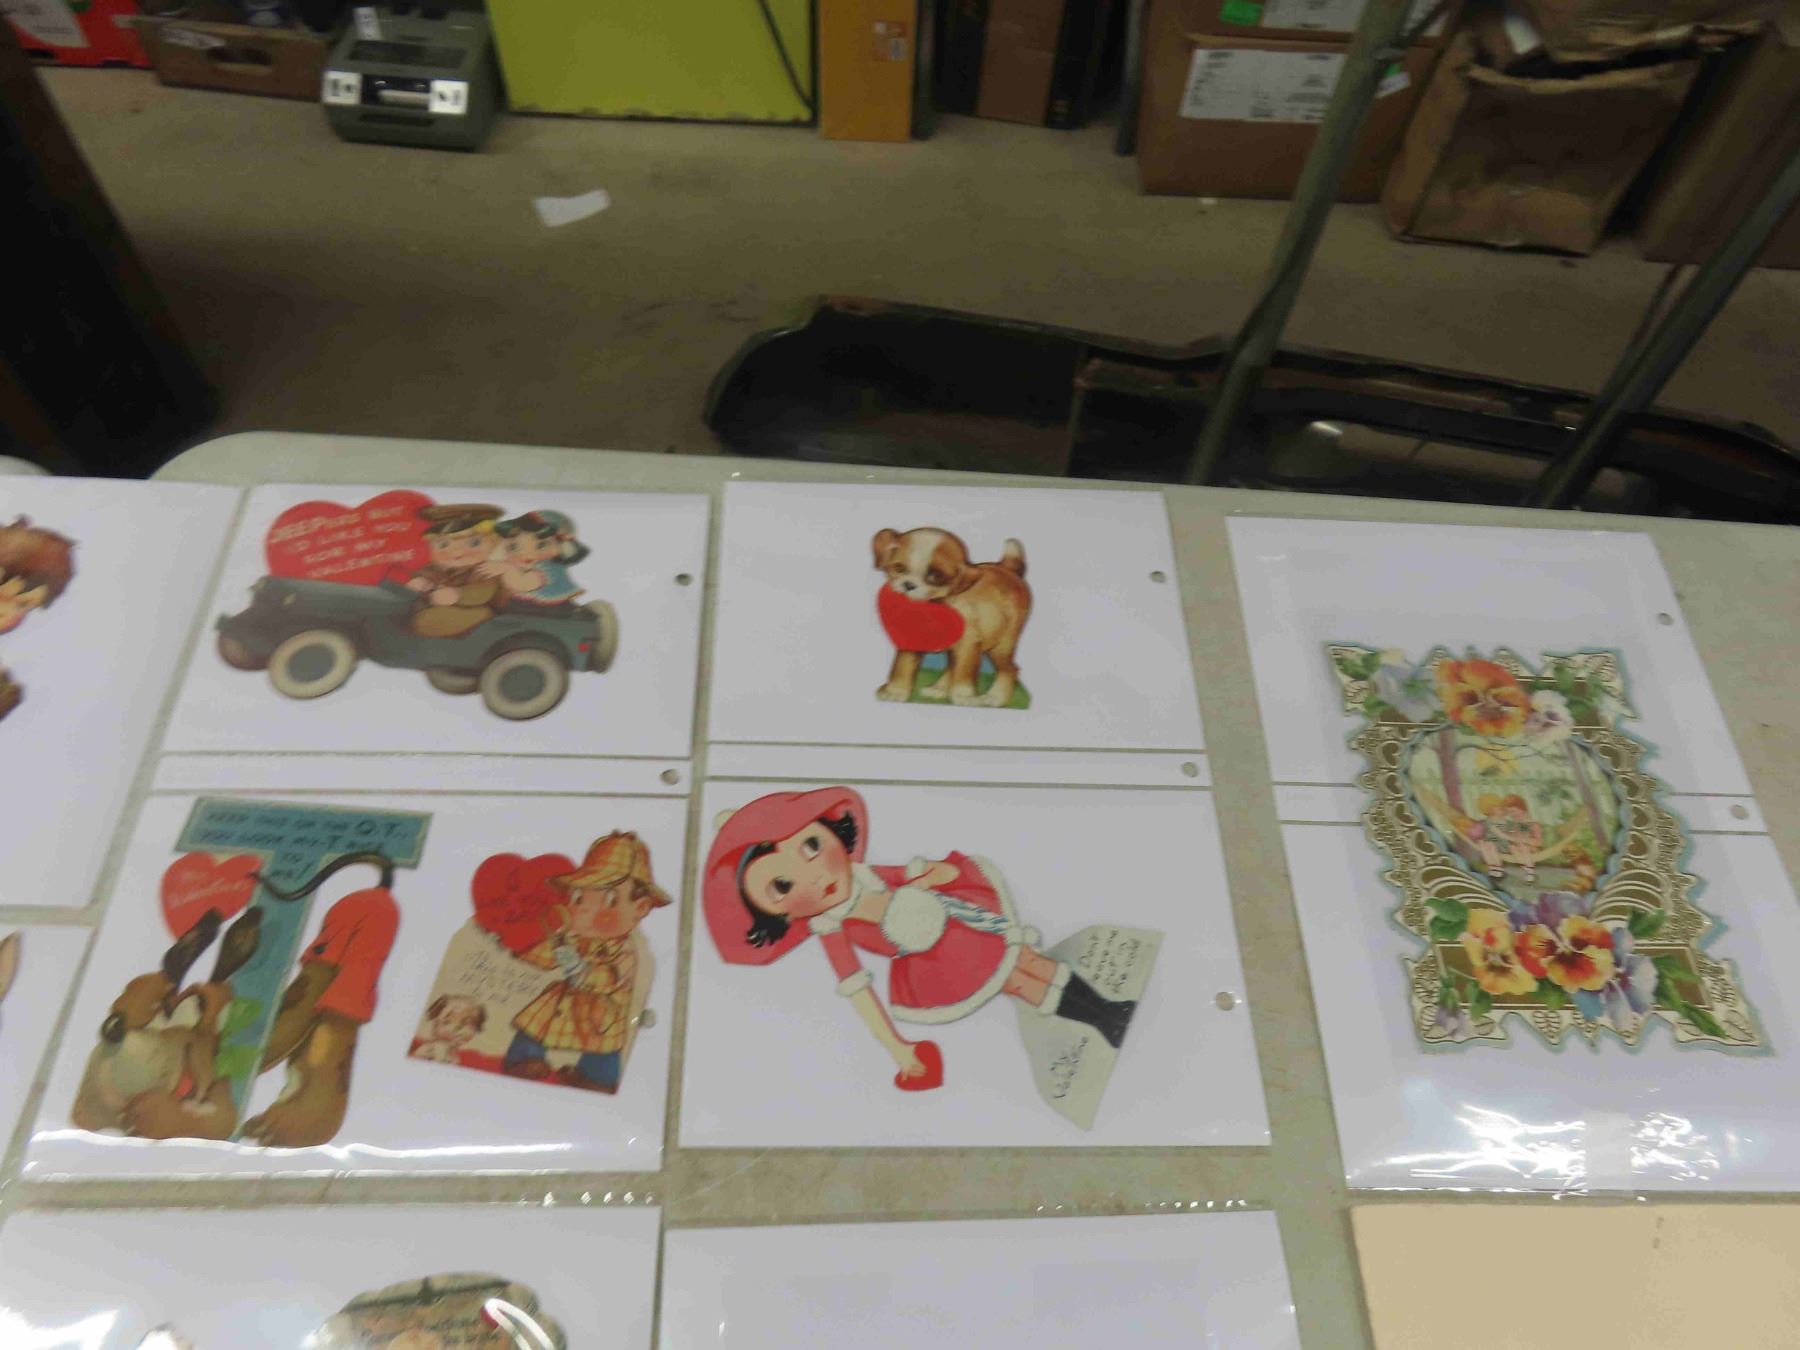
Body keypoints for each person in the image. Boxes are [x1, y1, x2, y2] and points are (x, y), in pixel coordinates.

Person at [702, 788, 1138, 1091]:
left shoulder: (869, 874)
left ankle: (1108, 1010)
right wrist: (897, 1048)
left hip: (957, 922)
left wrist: (939, 873)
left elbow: (919, 874)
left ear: (832, 831)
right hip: (937, 962)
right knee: (1020, 982)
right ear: (773, 915)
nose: (813, 877)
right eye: (781, 886)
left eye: (811, 846)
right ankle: (1103, 1022)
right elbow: (858, 991)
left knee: (1032, 963)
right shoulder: (831, 928)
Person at [503, 831, 670, 1093]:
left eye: (610, 900)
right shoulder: (574, 937)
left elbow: (614, 977)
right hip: (567, 1001)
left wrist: (584, 972)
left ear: (639, 908)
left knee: (604, 1045)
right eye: (578, 898)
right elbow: (549, 956)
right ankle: (524, 1060)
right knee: (536, 1020)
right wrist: (526, 949)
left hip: (602, 1010)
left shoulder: (626, 950)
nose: (584, 909)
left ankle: (596, 1078)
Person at [403, 504, 504, 638]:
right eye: (443, 544)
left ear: (493, 544)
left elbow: (483, 593)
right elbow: (425, 576)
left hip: (474, 611)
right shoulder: (435, 568)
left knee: (428, 620)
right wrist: (421, 582)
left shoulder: (486, 569)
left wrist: (457, 596)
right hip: (436, 608)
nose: (456, 553)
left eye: (474, 543)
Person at [486, 509, 588, 605]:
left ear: (561, 546)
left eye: (541, 546)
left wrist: (506, 568)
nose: (526, 554)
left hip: (552, 608)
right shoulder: (519, 561)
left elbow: (523, 583)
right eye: (514, 546)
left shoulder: (547, 567)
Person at [1470, 793, 1544, 883]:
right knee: (1496, 845)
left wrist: (1516, 838)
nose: (1512, 815)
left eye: (1514, 811)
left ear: (1522, 809)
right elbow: (1512, 835)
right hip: (1513, 846)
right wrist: (1513, 837)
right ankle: (1495, 868)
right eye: (1510, 813)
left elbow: (1538, 842)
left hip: (1527, 847)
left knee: (1519, 847)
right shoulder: (1513, 824)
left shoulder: (1532, 824)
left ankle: (1529, 871)